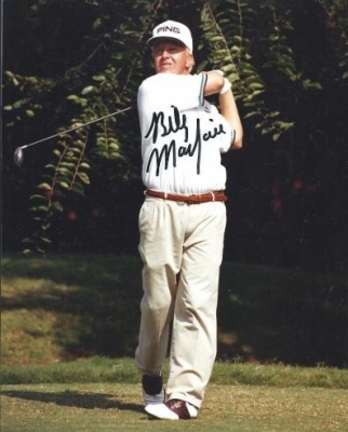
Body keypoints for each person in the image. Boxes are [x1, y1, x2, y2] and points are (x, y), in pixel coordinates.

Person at [135, 20, 243, 420]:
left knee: (198, 303)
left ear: (188, 57)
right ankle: (149, 369)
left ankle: (184, 398)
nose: (164, 54)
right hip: (162, 206)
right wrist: (223, 81)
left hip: (209, 210)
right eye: (159, 48)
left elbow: (234, 137)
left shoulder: (206, 107)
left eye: (174, 49)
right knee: (158, 302)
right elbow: (215, 78)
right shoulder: (153, 87)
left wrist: (227, 90)